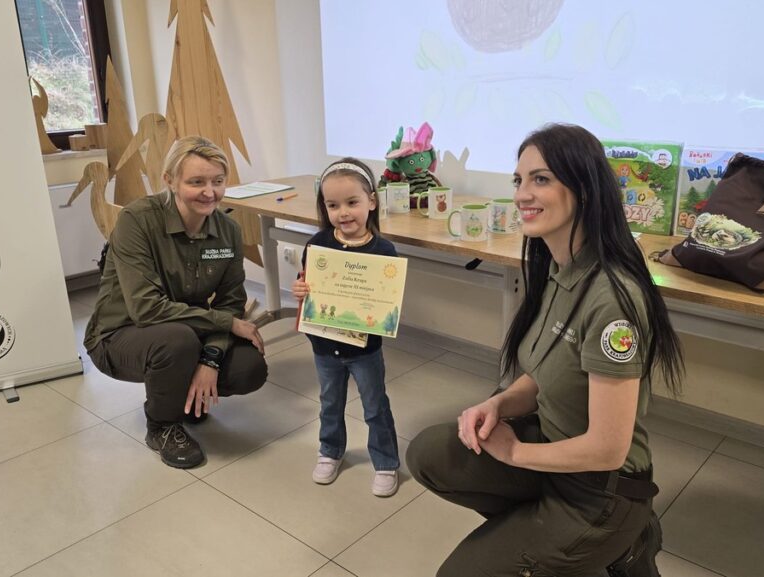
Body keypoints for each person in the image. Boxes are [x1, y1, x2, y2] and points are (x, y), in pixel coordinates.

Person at [406, 124, 684, 576]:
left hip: (600, 490)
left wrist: (514, 453)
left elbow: (607, 450)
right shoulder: (558, 268)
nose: (522, 194)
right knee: (429, 454)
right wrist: (497, 404)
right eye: (519, 180)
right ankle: (548, 542)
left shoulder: (612, 299)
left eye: (541, 179)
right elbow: (544, 373)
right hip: (554, 453)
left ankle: (619, 538)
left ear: (585, 190)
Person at [84, 136, 267, 469]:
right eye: (196, 182)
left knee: (249, 368)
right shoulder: (138, 220)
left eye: (218, 181)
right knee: (177, 341)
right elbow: (146, 309)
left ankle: (184, 398)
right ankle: (162, 426)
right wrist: (227, 324)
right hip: (120, 333)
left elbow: (230, 302)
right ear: (169, 180)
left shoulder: (227, 230)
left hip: (185, 329)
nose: (209, 192)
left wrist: (211, 359)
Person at [291, 157, 402, 497]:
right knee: (329, 403)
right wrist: (300, 289)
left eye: (352, 202)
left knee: (375, 405)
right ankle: (330, 451)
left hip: (365, 349)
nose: (343, 212)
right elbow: (308, 283)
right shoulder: (317, 245)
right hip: (324, 346)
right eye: (333, 205)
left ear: (372, 201)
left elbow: (387, 299)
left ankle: (385, 462)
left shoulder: (384, 250)